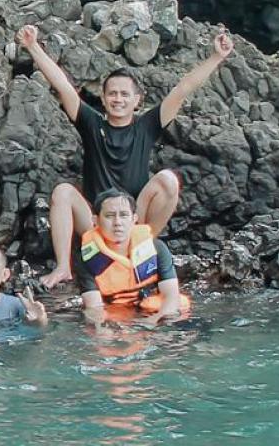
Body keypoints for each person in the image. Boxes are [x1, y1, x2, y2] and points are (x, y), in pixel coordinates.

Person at [15, 24, 235, 288]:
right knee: (62, 191)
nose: (118, 99)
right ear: (103, 98)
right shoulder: (91, 123)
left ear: (136, 100)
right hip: (97, 219)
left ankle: (144, 243)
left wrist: (216, 57)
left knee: (168, 179)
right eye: (112, 94)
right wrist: (33, 47)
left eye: (124, 94)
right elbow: (62, 86)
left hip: (133, 218)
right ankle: (63, 268)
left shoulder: (147, 125)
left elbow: (183, 88)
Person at [76, 189, 189, 327]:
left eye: (124, 215)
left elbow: (171, 295)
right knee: (96, 325)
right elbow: (94, 307)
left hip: (151, 309)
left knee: (179, 306)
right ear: (96, 220)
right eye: (109, 216)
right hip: (114, 311)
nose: (117, 222)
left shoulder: (156, 247)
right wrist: (104, 330)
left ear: (134, 219)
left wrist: (153, 321)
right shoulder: (86, 258)